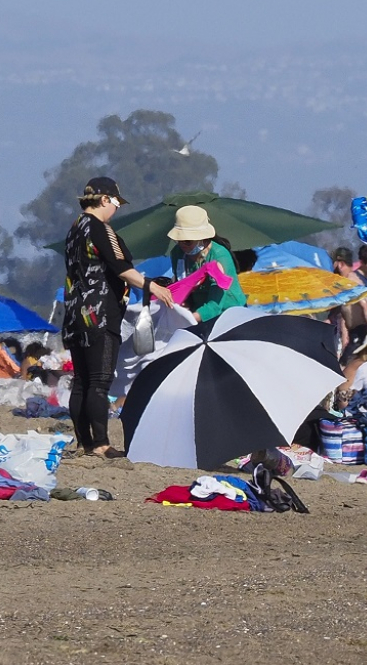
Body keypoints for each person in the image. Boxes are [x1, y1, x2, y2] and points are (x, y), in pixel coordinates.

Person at [62, 177, 174, 458]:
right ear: (104, 200)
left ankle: (84, 442)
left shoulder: (74, 229)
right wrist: (153, 287)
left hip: (75, 312)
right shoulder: (99, 228)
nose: (116, 209)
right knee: (99, 382)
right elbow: (121, 267)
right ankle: (100, 443)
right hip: (99, 313)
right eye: (115, 203)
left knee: (81, 381)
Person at [165, 206, 249, 323]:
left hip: (230, 316)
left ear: (203, 238)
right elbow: (181, 287)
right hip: (199, 314)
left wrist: (188, 319)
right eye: (179, 240)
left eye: (188, 241)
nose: (182, 245)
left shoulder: (219, 256)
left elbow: (215, 306)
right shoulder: (177, 254)